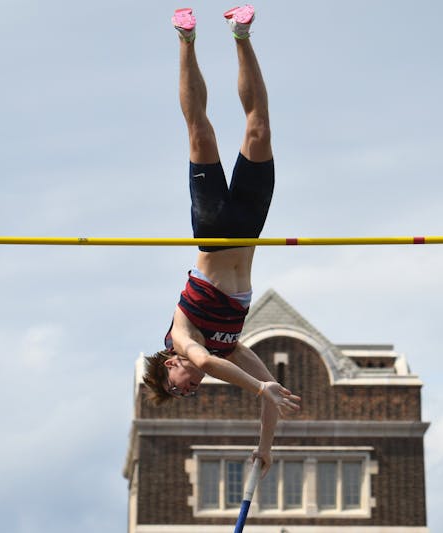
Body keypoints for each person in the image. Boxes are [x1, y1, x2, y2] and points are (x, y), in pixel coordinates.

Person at [142, 5, 301, 475]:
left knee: (200, 131)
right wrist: (266, 447)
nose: (187, 387)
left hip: (213, 230)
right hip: (249, 229)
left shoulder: (183, 339)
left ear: (169, 363)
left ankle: (185, 40)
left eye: (176, 387)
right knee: (260, 126)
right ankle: (241, 33)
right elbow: (271, 390)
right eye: (186, 393)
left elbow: (209, 363)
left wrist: (257, 391)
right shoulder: (231, 348)